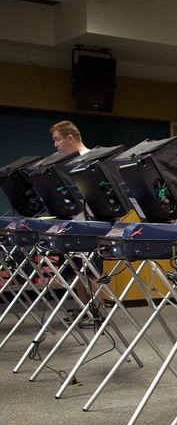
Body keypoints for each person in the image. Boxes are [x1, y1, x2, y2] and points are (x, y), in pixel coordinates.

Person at [48, 120, 100, 328]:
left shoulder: (90, 159)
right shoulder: (62, 164)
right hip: (72, 221)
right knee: (77, 268)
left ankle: (97, 311)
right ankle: (83, 308)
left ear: (70, 138)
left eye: (58, 139)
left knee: (92, 270)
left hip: (92, 222)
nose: (56, 145)